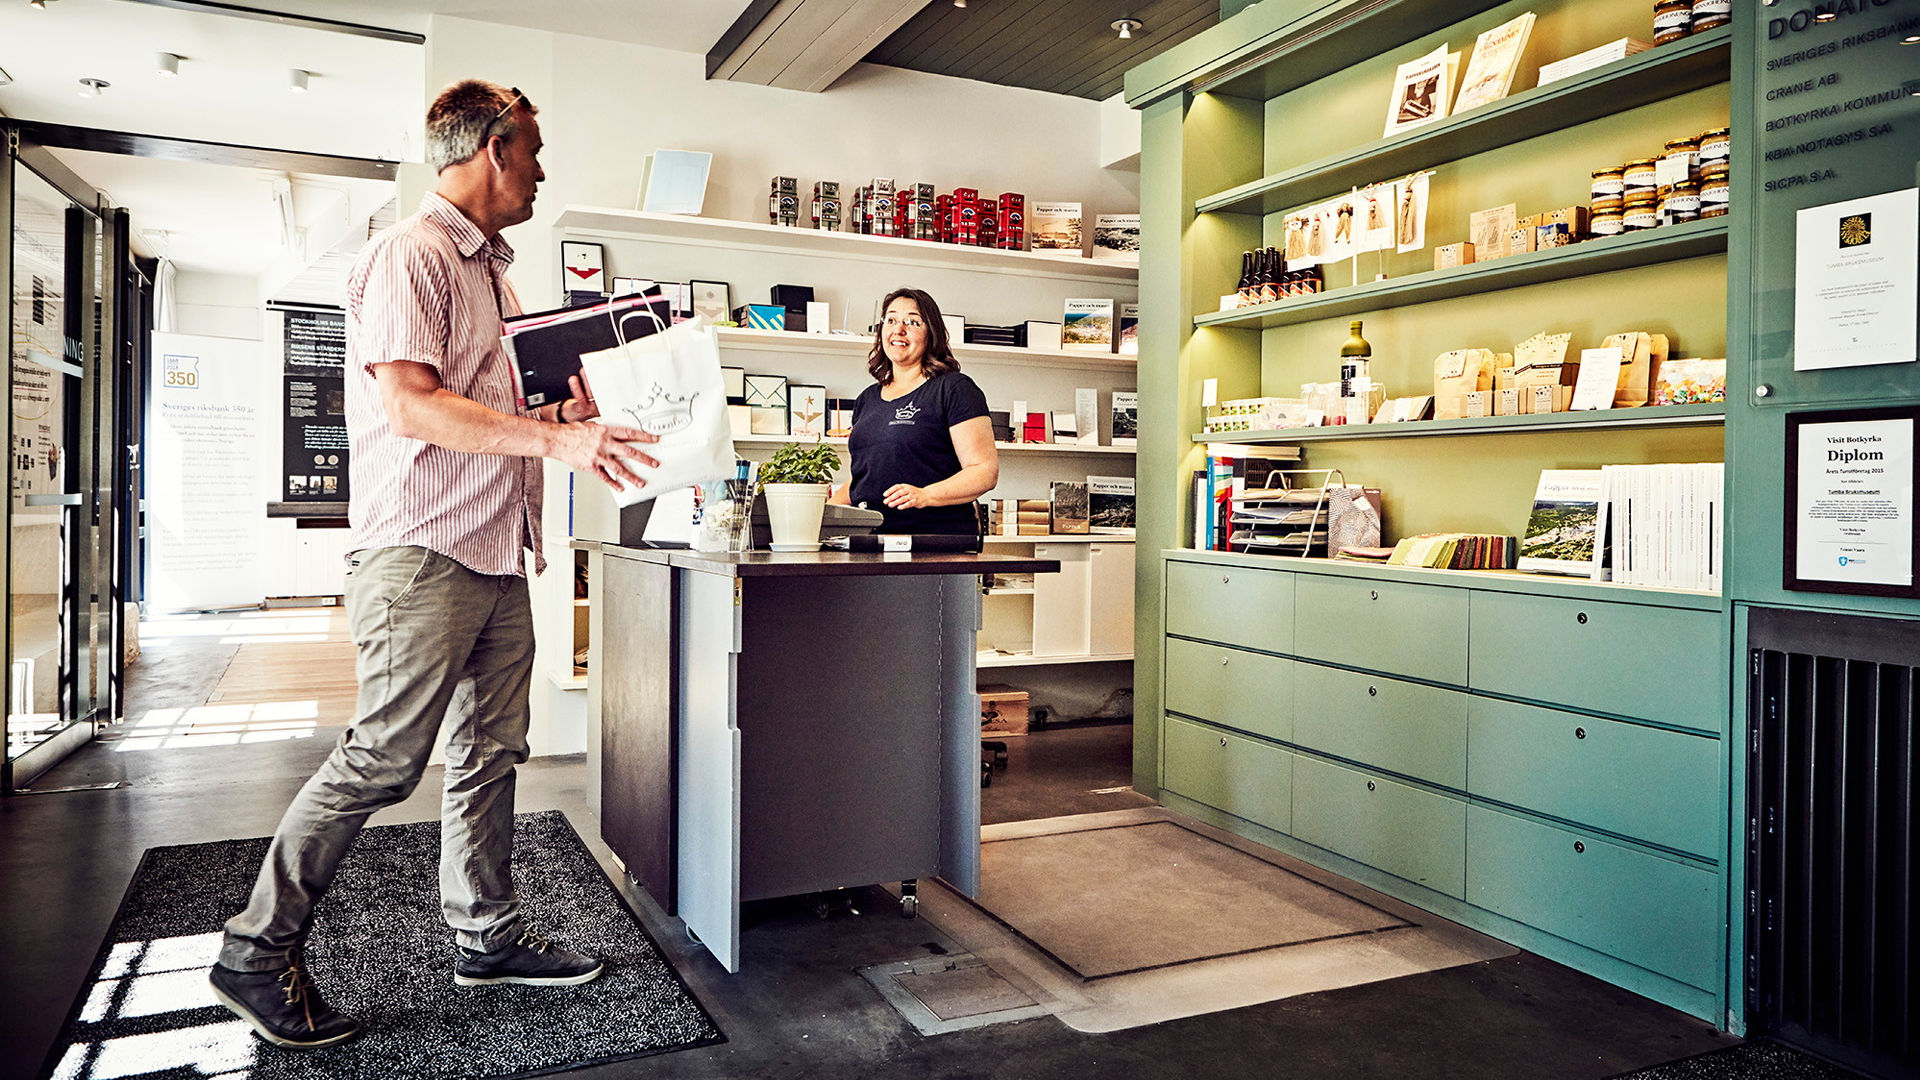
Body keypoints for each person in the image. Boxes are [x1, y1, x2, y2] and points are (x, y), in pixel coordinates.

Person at [207, 79, 661, 1050]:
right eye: (533, 151)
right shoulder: (410, 255)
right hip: (421, 552)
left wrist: (562, 424)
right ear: (495, 147)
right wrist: (555, 447)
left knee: (491, 754)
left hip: (497, 553)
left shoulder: (495, 276)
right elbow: (410, 405)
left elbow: (487, 422)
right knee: (384, 755)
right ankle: (256, 946)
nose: (541, 171)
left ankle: (486, 935)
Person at [830, 288, 998, 534]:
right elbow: (863, 479)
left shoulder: (954, 389)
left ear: (932, 333)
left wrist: (925, 495)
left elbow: (984, 471)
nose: (899, 329)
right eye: (891, 320)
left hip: (932, 545)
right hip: (869, 540)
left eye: (912, 322)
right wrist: (824, 512)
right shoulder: (867, 398)